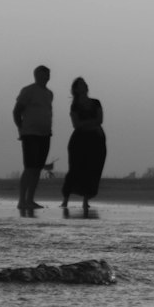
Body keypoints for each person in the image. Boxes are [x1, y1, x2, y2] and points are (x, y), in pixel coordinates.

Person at [61, 77, 106, 218]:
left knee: (93, 169)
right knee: (75, 169)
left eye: (84, 83)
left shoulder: (95, 102)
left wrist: (87, 123)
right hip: (79, 141)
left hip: (96, 140)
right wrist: (92, 124)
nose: (83, 85)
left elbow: (100, 120)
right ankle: (65, 199)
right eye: (80, 84)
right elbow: (76, 124)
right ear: (75, 89)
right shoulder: (74, 106)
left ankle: (86, 200)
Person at [13, 65, 53, 215]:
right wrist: (21, 129)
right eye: (43, 74)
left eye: (48, 74)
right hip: (30, 134)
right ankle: (22, 200)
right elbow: (17, 111)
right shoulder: (28, 91)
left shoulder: (49, 94)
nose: (46, 77)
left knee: (37, 169)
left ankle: (30, 199)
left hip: (45, 134)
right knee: (29, 168)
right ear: (36, 75)